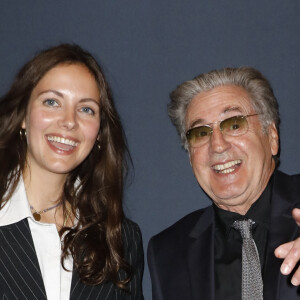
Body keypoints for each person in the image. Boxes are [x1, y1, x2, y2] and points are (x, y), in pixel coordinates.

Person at [0, 44, 144, 300]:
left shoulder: (121, 239)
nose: (69, 121)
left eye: (86, 109)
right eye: (52, 102)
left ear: (99, 133)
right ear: (23, 116)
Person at [147, 67, 300, 299]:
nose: (217, 145)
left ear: (272, 137)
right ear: (190, 157)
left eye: (234, 124)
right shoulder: (167, 251)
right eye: (200, 133)